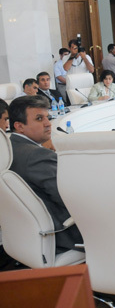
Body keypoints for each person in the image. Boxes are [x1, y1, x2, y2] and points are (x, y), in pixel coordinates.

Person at [8, 96, 84, 252]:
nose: (48, 123)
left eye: (47, 117)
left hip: (26, 236)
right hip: (64, 236)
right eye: (39, 118)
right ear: (19, 126)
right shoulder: (37, 156)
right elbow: (70, 198)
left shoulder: (10, 148)